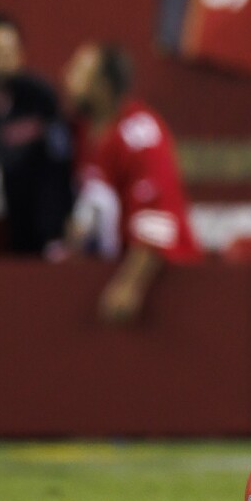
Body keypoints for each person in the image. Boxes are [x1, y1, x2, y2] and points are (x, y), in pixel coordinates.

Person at [63, 42, 200, 324]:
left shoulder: (140, 133)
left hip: (164, 278)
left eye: (79, 72)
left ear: (103, 87)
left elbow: (157, 214)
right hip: (105, 265)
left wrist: (130, 283)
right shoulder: (78, 130)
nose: (67, 76)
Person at [0, 14, 74, 256]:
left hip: (31, 216)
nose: (4, 58)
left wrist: (55, 229)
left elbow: (60, 161)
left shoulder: (41, 97)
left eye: (10, 50)